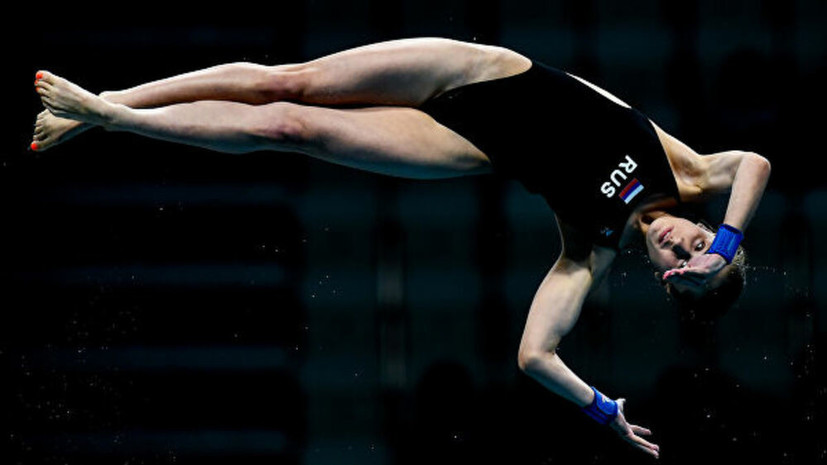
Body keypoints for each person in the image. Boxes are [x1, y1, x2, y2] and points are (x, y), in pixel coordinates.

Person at [31, 37, 770, 459]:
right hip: (476, 72)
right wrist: (730, 243)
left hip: (464, 144)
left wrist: (599, 407)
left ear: (664, 279)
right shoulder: (689, 169)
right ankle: (115, 96)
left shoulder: (593, 247)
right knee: (292, 81)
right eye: (701, 242)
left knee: (290, 127)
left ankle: (104, 118)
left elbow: (534, 355)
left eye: (683, 268)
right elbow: (755, 165)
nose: (684, 246)